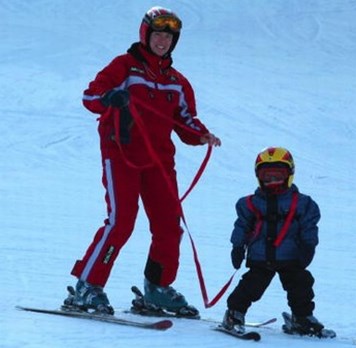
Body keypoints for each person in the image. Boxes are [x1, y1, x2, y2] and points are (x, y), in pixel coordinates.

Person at [67, 6, 221, 316]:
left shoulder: (177, 81)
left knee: (168, 225)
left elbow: (186, 121)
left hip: (158, 162)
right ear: (145, 35)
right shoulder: (124, 67)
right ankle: (87, 286)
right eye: (157, 35)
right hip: (121, 153)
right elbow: (90, 97)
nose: (162, 41)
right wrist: (109, 98)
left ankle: (158, 289)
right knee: (121, 222)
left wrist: (202, 135)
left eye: (168, 37)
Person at [221, 147, 330, 337]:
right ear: (258, 177)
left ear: (289, 175)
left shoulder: (303, 204)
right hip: (261, 258)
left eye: (278, 176)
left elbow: (309, 226)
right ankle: (233, 314)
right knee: (250, 288)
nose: (272, 182)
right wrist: (237, 246)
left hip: (291, 257)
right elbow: (242, 226)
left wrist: (308, 246)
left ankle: (302, 317)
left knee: (301, 286)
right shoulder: (250, 203)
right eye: (266, 177)